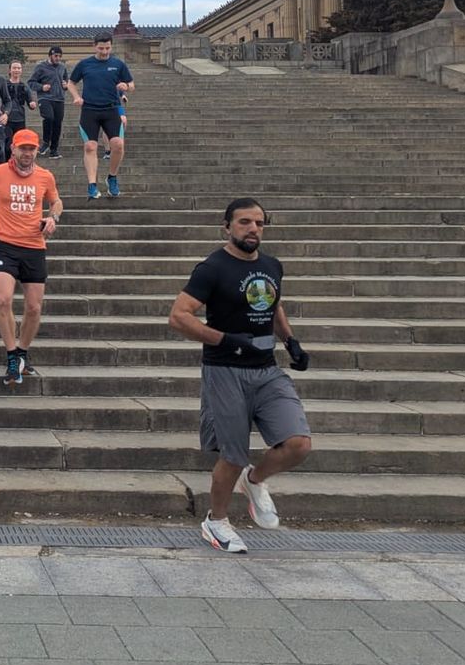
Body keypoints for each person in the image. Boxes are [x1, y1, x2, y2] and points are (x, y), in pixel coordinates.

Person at [168, 198, 312, 553]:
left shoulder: (271, 266)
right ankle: (216, 522)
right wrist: (224, 339)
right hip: (225, 370)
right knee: (232, 454)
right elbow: (179, 315)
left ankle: (255, 479)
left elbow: (272, 303)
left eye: (259, 223)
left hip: (266, 370)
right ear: (227, 226)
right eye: (245, 222)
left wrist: (290, 340)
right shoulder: (212, 268)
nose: (253, 229)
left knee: (298, 444)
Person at [0, 129, 62, 386]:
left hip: (34, 246)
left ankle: (23, 351)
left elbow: (57, 202)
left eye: (32, 148)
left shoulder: (45, 176)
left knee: (34, 307)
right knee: (3, 300)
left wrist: (52, 218)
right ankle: (12, 354)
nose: (27, 153)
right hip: (5, 245)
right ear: (13, 148)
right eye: (22, 148)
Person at [68, 32, 135, 199]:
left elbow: (132, 85)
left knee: (118, 144)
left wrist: (125, 86)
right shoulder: (85, 64)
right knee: (90, 146)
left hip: (111, 109)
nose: (104, 52)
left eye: (107, 48)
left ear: (111, 46)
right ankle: (92, 185)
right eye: (101, 48)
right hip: (90, 109)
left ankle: (112, 177)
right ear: (94, 46)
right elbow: (71, 83)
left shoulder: (118, 64)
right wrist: (76, 97)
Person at [29, 46, 68, 159]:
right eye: (56, 56)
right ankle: (46, 142)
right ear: (50, 55)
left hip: (59, 99)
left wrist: (65, 86)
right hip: (45, 98)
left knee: (57, 124)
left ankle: (54, 150)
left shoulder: (62, 67)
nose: (58, 58)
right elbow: (31, 82)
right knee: (49, 117)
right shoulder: (40, 67)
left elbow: (66, 81)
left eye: (60, 56)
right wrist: (42, 87)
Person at [5, 61, 34, 142]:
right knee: (8, 145)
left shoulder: (24, 86)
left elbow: (30, 101)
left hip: (20, 119)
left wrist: (32, 104)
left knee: (19, 143)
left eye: (19, 68)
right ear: (9, 70)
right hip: (7, 119)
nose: (16, 70)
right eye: (14, 68)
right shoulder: (4, 85)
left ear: (21, 70)